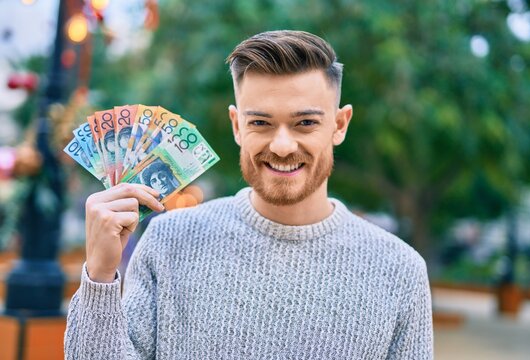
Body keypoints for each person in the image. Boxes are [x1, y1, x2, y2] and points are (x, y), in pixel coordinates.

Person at [65, 30, 433, 359]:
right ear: (237, 126)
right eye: (261, 122)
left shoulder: (399, 270)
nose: (284, 145)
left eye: (305, 122)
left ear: (339, 125)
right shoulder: (169, 241)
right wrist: (99, 275)